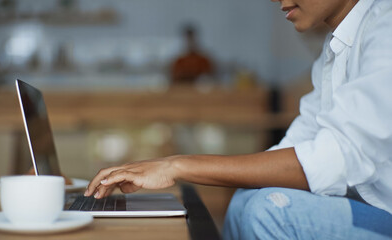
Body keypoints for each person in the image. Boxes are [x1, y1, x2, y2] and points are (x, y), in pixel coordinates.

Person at [85, 0, 392, 239]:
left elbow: (331, 160)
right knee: (246, 198)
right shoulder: (335, 50)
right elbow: (294, 150)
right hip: (365, 209)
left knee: (269, 211)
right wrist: (176, 165)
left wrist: (177, 165)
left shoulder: (385, 27)